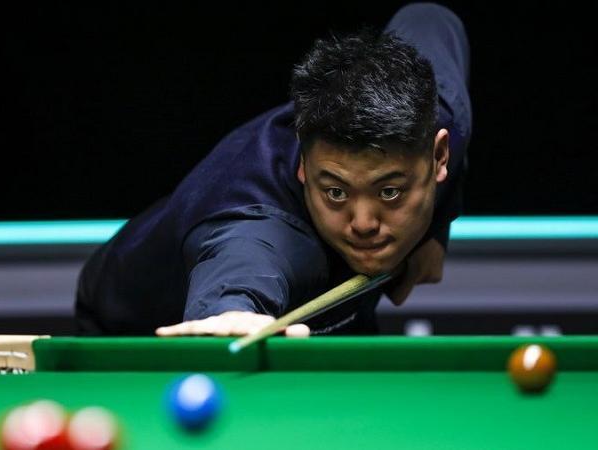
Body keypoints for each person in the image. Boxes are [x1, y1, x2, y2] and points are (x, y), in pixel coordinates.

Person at [75, 3, 471, 337]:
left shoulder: (441, 111)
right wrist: (229, 314)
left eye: (389, 192)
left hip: (332, 301)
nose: (364, 224)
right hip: (137, 326)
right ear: (304, 164)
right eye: (335, 192)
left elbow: (430, 17)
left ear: (439, 157)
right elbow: (240, 269)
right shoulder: (260, 226)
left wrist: (436, 228)